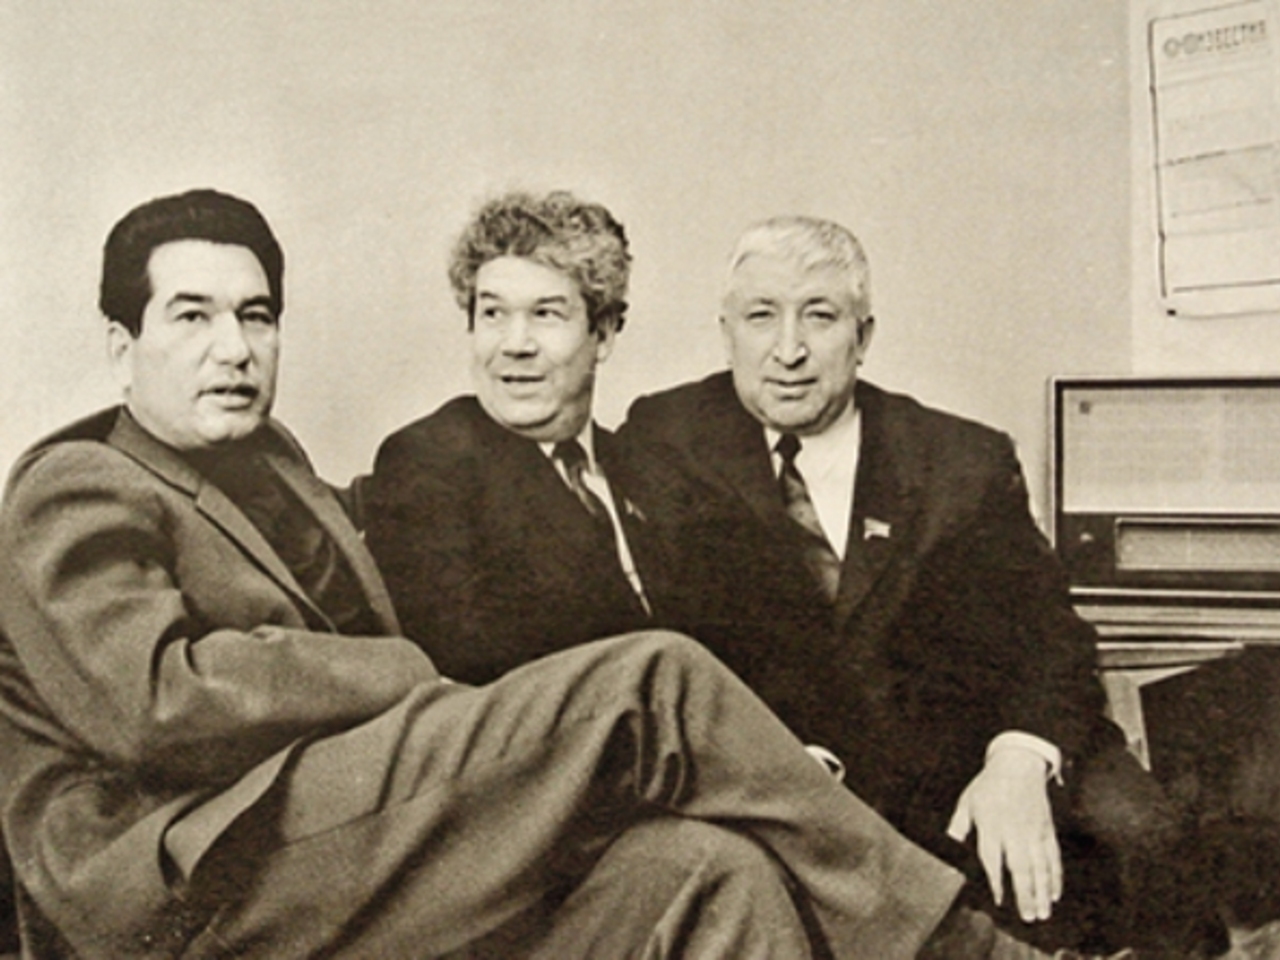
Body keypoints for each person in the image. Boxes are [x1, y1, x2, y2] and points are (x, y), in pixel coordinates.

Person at [0, 189, 1125, 959]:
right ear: (121, 344)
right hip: (196, 875)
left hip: (341, 832)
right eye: (190, 317)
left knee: (712, 871)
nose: (233, 348)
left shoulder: (272, 465)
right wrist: (403, 673)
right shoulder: (77, 484)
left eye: (255, 317)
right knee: (652, 679)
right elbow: (156, 705)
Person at [620, 216, 1219, 956]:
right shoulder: (667, 438)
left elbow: (1051, 637)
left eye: (819, 316)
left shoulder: (961, 460)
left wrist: (1017, 758)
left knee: (1145, 835)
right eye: (761, 316)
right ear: (726, 332)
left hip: (955, 761)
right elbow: (674, 634)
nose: (788, 350)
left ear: (863, 336)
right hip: (787, 771)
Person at [362, 190, 712, 684]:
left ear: (604, 332)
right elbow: (472, 669)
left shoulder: (650, 470)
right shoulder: (429, 462)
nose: (515, 345)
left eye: (545, 314)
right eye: (493, 314)